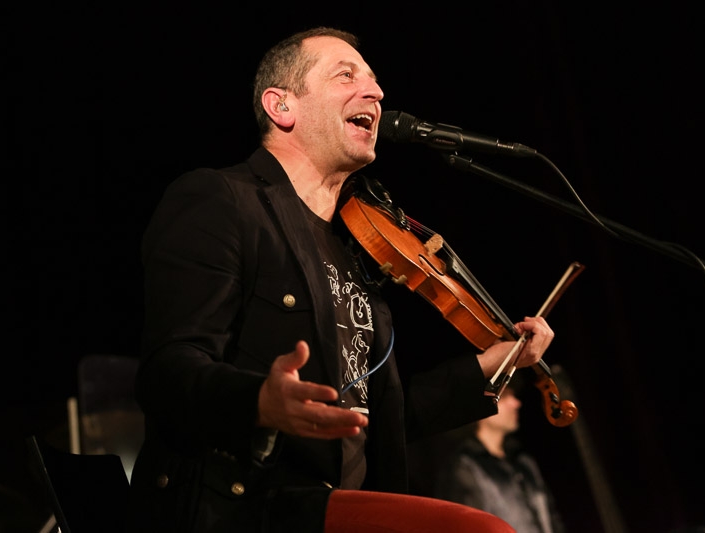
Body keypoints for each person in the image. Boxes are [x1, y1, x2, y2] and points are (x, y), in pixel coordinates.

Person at [125, 26, 556, 533]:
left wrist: (492, 364)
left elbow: (381, 420)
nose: (375, 92)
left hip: (342, 505)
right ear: (281, 106)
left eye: (373, 80)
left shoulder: (354, 250)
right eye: (346, 76)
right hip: (251, 507)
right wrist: (259, 401)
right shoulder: (220, 200)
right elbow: (167, 372)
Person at [433, 380, 566, 533]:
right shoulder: (465, 467)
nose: (516, 403)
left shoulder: (523, 461)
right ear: (480, 407)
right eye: (505, 396)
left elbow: (552, 519)